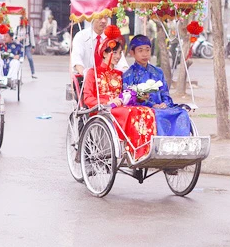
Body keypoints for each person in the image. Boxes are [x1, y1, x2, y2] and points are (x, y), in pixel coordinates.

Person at [82, 27, 157, 160]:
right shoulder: (92, 73)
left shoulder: (119, 74)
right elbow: (88, 98)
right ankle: (134, 151)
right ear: (104, 53)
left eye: (119, 53)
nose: (117, 56)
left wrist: (139, 97)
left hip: (120, 107)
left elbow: (126, 95)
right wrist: (107, 102)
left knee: (144, 110)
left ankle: (144, 149)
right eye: (114, 52)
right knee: (130, 112)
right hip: (103, 110)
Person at [122, 35, 191, 137]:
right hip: (144, 110)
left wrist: (165, 103)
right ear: (132, 53)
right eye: (140, 51)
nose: (145, 54)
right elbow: (130, 98)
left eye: (147, 50)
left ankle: (181, 144)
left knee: (182, 112)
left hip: (162, 107)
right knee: (157, 115)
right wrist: (151, 105)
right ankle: (161, 146)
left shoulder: (158, 72)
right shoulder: (128, 75)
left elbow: (165, 93)